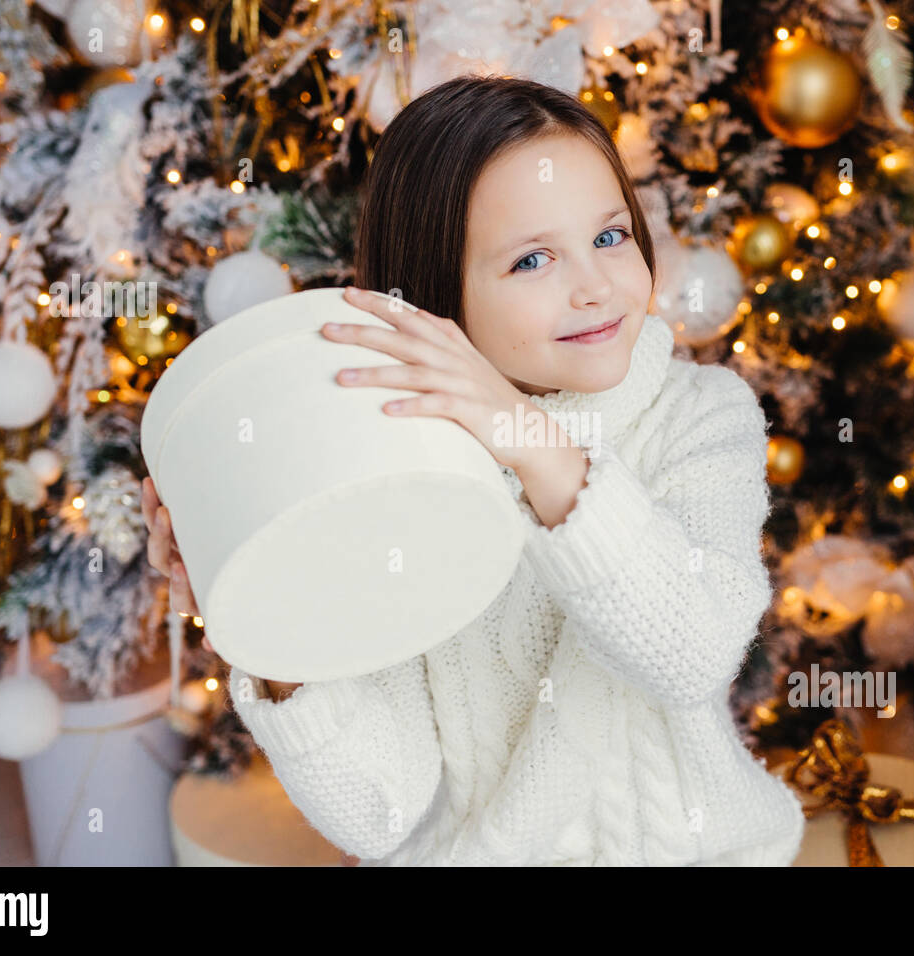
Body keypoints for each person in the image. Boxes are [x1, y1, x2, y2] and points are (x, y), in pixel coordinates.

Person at [142, 73, 805, 866]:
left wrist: (524, 436)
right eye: (532, 260)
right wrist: (268, 637)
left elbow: (692, 651)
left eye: (609, 236)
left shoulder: (702, 416)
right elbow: (379, 812)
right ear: (432, 294)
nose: (595, 287)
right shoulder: (388, 463)